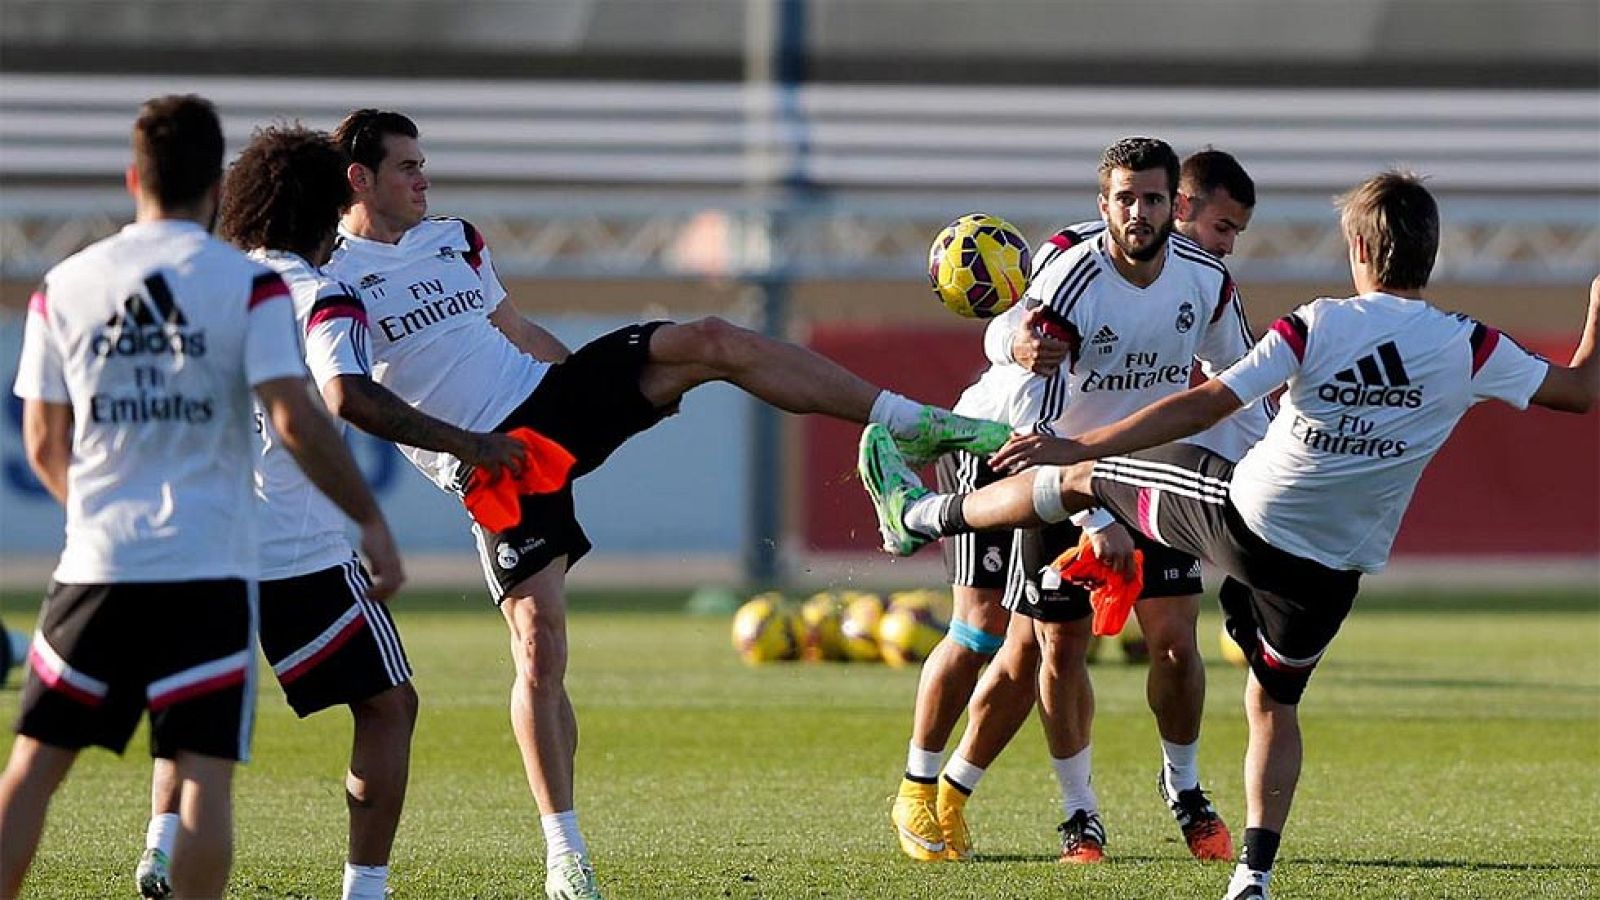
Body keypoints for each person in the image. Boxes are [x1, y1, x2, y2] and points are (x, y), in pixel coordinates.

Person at [321, 108, 1012, 900]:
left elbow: (514, 331)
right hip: (491, 465)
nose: (423, 178)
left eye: (423, 163)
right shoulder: (330, 276)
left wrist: (607, 394)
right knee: (539, 648)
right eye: (407, 166)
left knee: (710, 338)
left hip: (547, 398)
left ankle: (905, 421)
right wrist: (463, 450)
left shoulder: (457, 238)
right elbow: (349, 394)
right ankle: (565, 855)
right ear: (360, 179)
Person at [859, 171, 1599, 900]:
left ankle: (921, 517)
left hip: (1240, 519)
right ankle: (1234, 870)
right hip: (1334, 568)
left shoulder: (1316, 322)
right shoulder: (1468, 345)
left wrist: (1084, 449)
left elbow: (1209, 401)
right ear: (1432, 252)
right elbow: (1578, 390)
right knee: (1262, 698)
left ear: (1359, 250)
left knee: (1092, 491)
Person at [0, 95, 403, 900]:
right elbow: (296, 416)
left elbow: (45, 444)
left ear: (133, 178)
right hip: (205, 565)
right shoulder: (243, 287)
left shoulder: (66, 283)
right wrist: (368, 519)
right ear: (213, 188)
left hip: (97, 562)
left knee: (34, 767)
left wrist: (102, 521)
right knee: (206, 778)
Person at [129, 125, 527, 900]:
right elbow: (347, 393)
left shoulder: (203, 283)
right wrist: (467, 443)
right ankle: (364, 889)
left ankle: (159, 844)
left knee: (197, 695)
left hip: (191, 534)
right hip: (293, 548)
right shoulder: (320, 294)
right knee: (388, 707)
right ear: (328, 205)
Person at [891, 141, 1268, 865]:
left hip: (1133, 469)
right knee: (991, 634)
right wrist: (1095, 517)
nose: (1140, 212)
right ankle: (936, 787)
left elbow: (1235, 384)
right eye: (1126, 199)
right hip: (1007, 455)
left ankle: (1178, 792)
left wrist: (1267, 480)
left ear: (1171, 204)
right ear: (1107, 205)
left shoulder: (1207, 282)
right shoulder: (1072, 268)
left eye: (1151, 199)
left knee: (1168, 639)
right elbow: (1040, 419)